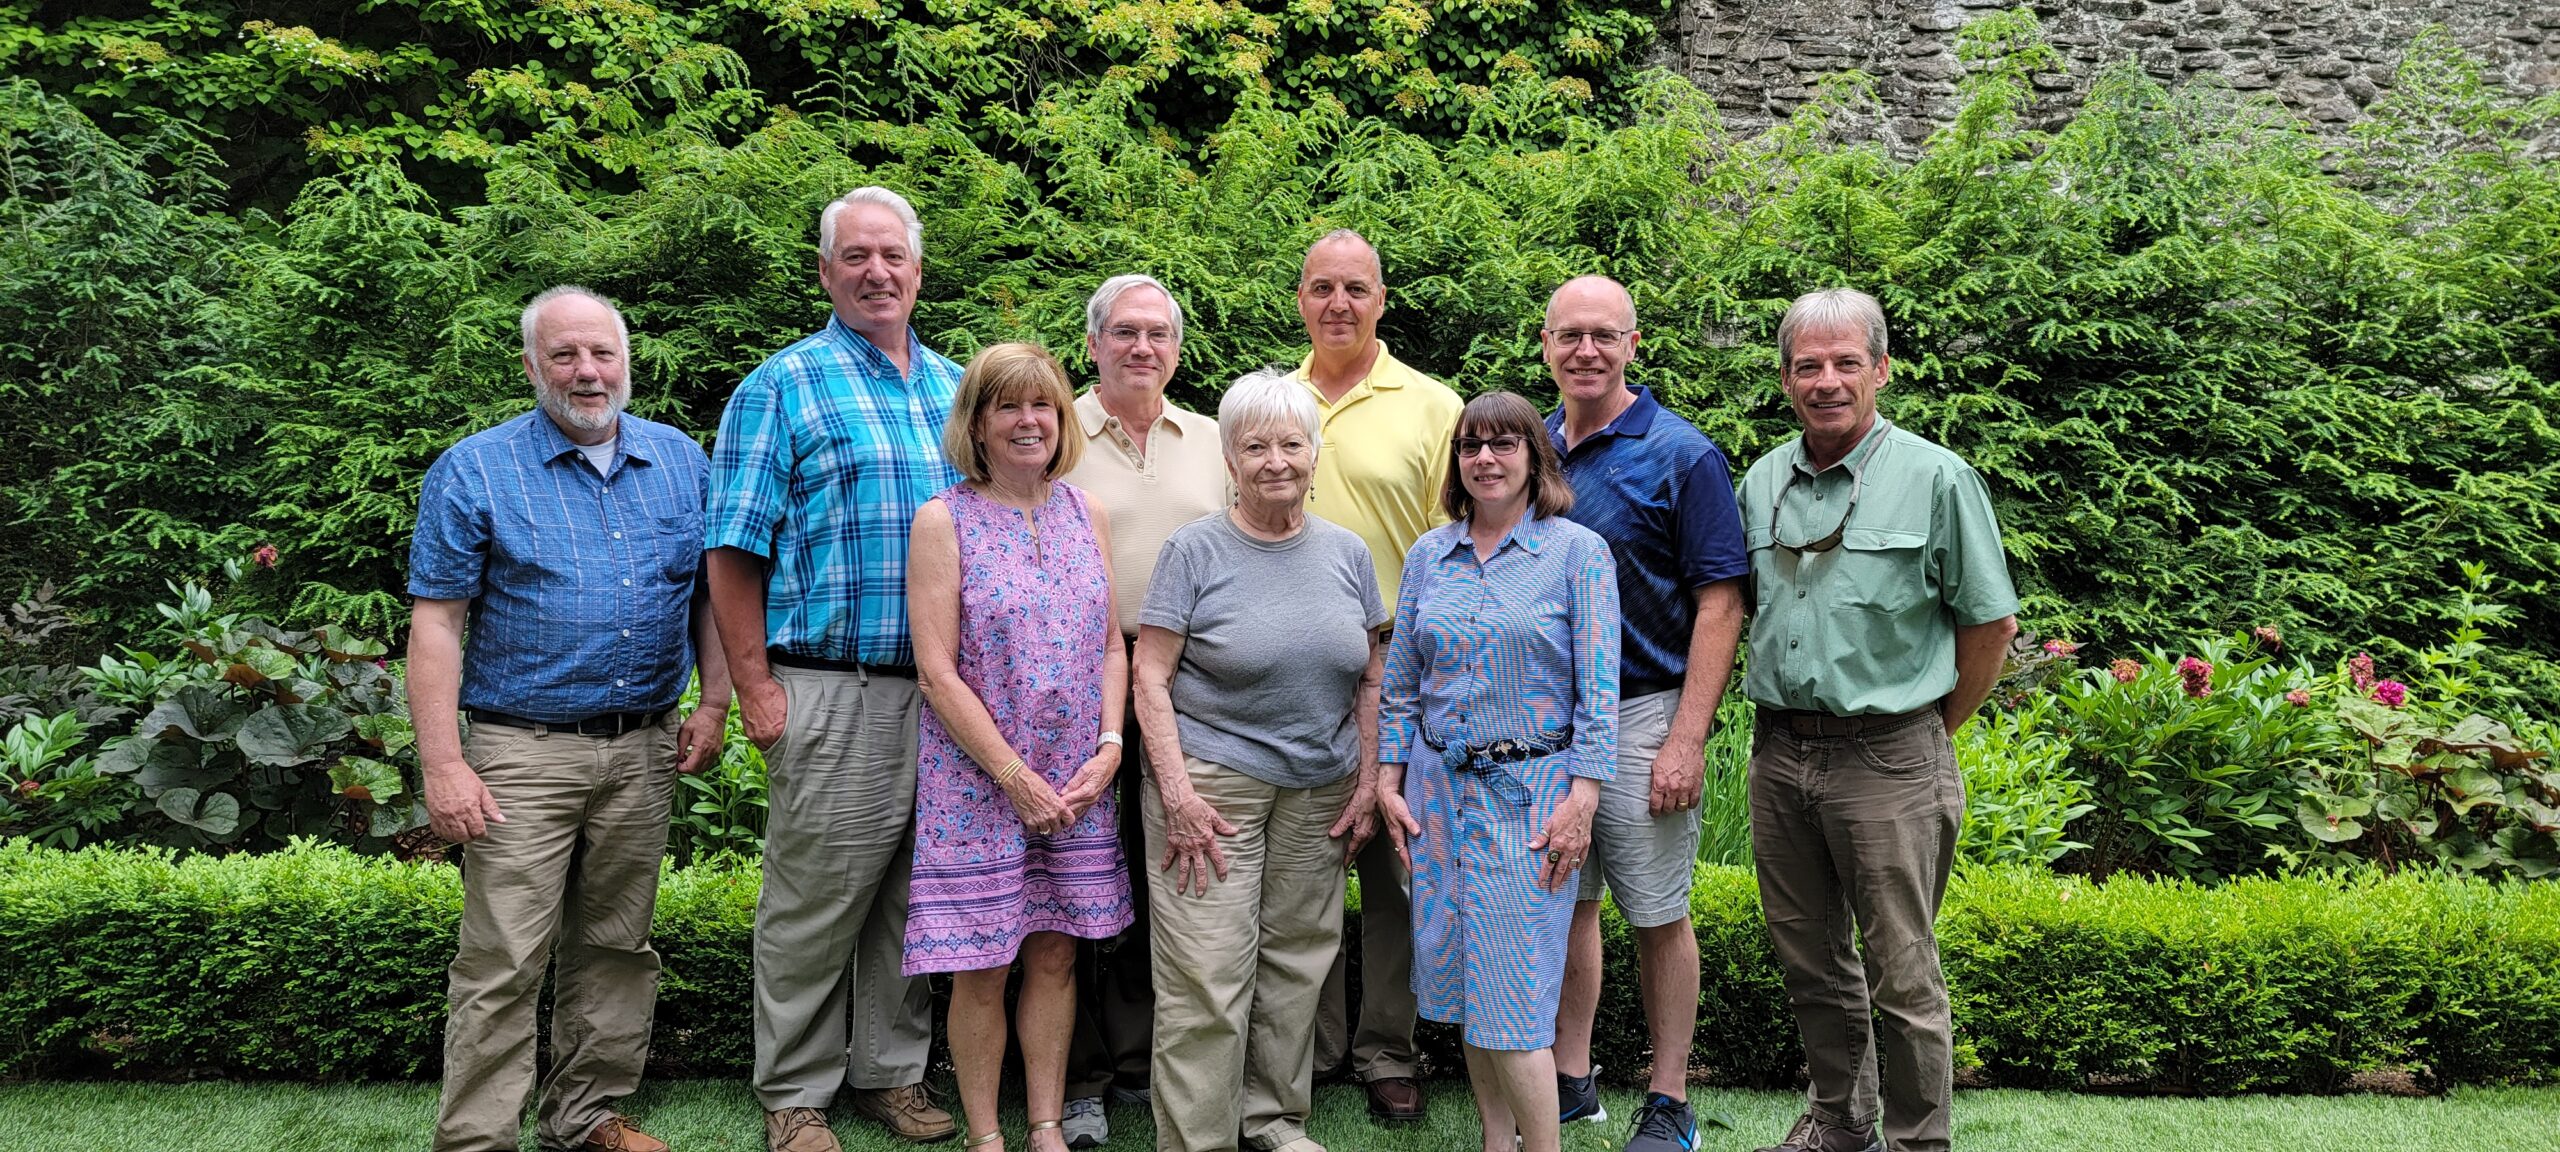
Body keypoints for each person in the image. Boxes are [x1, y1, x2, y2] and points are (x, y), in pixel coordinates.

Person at [409, 285, 729, 1152]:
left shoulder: (680, 461)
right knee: (504, 959)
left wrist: (717, 699)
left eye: (602, 354)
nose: (587, 373)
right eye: (565, 356)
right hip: (522, 751)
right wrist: (444, 762)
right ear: (531, 366)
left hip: (645, 745)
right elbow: (437, 624)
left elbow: (711, 595)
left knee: (617, 948)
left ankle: (584, 1119)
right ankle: (477, 1138)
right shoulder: (475, 469)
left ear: (626, 361)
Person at [706, 186, 962, 1152]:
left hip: (944, 694)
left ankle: (889, 1075)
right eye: (855, 256)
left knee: (911, 897)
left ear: (918, 270)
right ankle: (796, 1093)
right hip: (831, 682)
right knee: (815, 900)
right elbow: (733, 549)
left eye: (892, 255)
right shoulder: (784, 385)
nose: (876, 272)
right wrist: (755, 685)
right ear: (825, 272)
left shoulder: (953, 389)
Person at [1736, 289, 2018, 1152]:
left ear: (1881, 369)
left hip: (1891, 756)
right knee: (1812, 963)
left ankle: (1917, 1141)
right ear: (1785, 378)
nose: (1827, 381)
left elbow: (1991, 625)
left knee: (1903, 972)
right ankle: (1839, 1121)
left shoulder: (1938, 477)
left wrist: (1932, 731)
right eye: (1808, 366)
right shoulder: (1759, 482)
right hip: (1781, 754)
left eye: (1845, 362)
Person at [1131, 370, 1388, 1152]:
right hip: (1212, 791)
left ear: (1315, 452)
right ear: (1232, 460)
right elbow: (1150, 674)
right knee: (1206, 976)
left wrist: (1371, 782)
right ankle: (1198, 1139)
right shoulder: (1195, 550)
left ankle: (1273, 1120)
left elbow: (1373, 674)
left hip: (1320, 788)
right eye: (1255, 446)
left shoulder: (1347, 553)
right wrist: (1175, 790)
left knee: (1297, 965)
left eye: (1291, 443)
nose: (1276, 460)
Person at [905, 341, 1134, 1152]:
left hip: (1076, 779)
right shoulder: (943, 520)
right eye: (1008, 406)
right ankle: (983, 1134)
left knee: (1056, 955)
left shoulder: (1086, 512)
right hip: (979, 783)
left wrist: (1109, 747)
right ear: (977, 422)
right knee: (981, 963)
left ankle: (1043, 1126)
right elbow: (935, 670)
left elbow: (1112, 646)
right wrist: (1010, 775)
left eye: (1042, 405)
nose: (1028, 421)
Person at [1378, 391, 1620, 1152]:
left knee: (1513, 1000)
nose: (1485, 458)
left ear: (1534, 458)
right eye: (1471, 446)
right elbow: (1402, 685)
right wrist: (1388, 782)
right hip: (1438, 799)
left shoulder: (1577, 554)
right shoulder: (1429, 555)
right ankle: (1495, 1141)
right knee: (1465, 994)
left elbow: (1600, 690)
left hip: (1534, 799)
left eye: (1504, 444)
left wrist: (1584, 797)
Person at [1540, 276, 1748, 1152]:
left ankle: (1669, 1101)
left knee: (1656, 910)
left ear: (1634, 344)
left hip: (1642, 714)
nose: (1586, 351)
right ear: (1546, 346)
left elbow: (1722, 600)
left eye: (1603, 336)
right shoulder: (1531, 445)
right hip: (1547, 722)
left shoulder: (1681, 453)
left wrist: (1686, 739)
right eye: (1569, 336)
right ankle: (1571, 1081)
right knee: (1570, 903)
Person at [1290, 228, 1463, 1124]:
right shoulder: (1267, 401)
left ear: (1383, 299)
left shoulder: (1434, 407)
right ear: (1300, 298)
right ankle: (1307, 1047)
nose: (1339, 304)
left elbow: (1461, 541)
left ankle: (1388, 1048)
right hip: (1290, 663)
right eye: (1322, 287)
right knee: (1308, 857)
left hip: (1404, 659)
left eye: (1356, 288)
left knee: (1400, 865)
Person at [1055, 274, 1229, 1148]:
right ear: (1093, 344)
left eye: (1158, 333)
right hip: (1075, 689)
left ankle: (1142, 1065)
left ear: (1177, 347)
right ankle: (1079, 1078)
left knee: (1166, 884)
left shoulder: (1208, 439)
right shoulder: (1057, 432)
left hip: (1190, 690)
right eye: (1124, 332)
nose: (1141, 348)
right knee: (1079, 889)